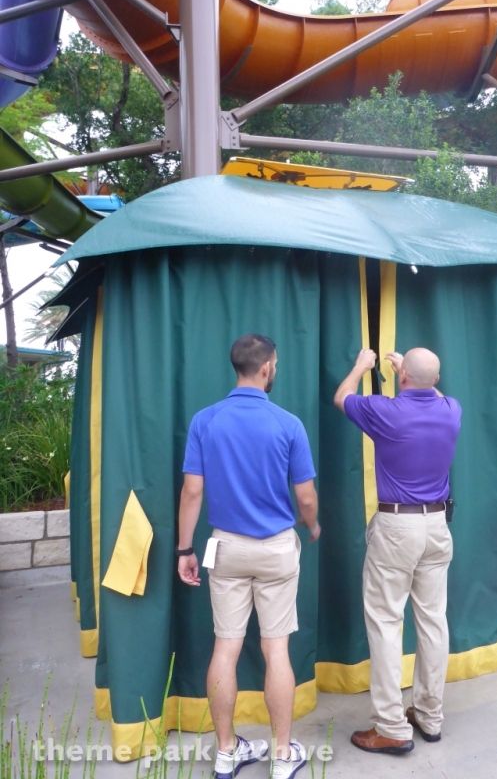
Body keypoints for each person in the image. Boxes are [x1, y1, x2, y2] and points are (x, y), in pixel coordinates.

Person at [177, 334, 320, 779]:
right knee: (276, 650)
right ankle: (282, 754)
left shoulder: (205, 420)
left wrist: (185, 548)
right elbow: (306, 497)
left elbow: (192, 491)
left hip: (226, 547)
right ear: (266, 368)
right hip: (277, 548)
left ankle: (226, 751)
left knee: (226, 647)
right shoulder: (288, 423)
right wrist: (313, 525)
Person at [334, 347, 461, 756]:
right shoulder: (451, 410)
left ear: (402, 377)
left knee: (387, 623)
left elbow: (342, 397)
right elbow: (432, 390)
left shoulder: (385, 411)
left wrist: (361, 367)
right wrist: (410, 369)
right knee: (433, 621)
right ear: (436, 380)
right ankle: (429, 715)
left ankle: (391, 727)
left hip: (396, 528)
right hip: (437, 526)